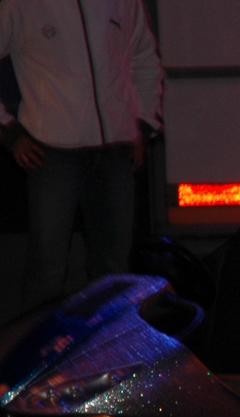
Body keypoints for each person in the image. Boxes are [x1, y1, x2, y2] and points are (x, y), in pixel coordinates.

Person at [0, 0, 164, 312]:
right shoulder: (23, 4)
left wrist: (141, 125)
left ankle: (109, 353)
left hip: (115, 150)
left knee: (114, 268)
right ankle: (42, 355)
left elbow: (144, 60)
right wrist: (9, 132)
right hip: (52, 151)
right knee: (48, 270)